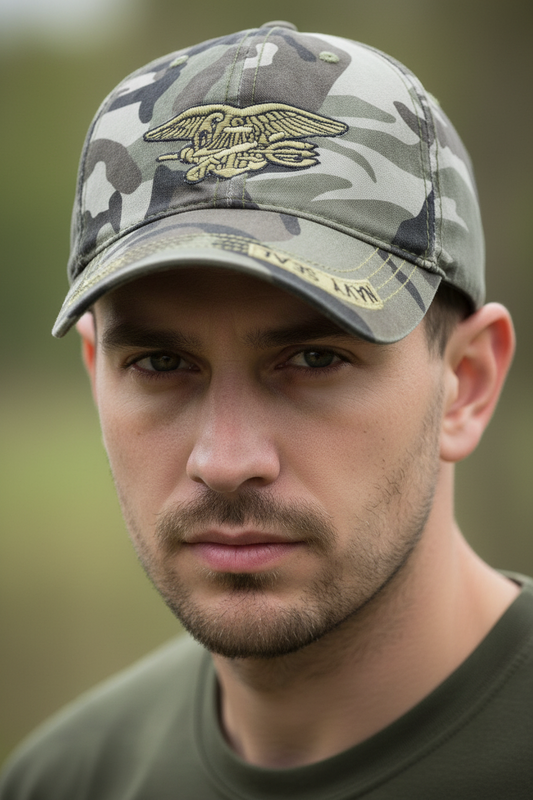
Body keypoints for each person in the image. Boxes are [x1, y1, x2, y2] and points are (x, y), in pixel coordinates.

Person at [1, 20, 532, 799]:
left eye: (314, 360)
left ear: (466, 382)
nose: (225, 461)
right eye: (160, 364)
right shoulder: (65, 779)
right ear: (95, 375)